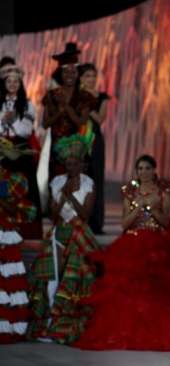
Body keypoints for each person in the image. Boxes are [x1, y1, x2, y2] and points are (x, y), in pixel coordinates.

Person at [74, 155, 170, 350]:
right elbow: (125, 224)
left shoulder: (163, 192)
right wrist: (137, 209)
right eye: (140, 168)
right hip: (132, 241)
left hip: (156, 242)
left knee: (159, 288)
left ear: (154, 170)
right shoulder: (130, 192)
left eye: (147, 168)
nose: (144, 172)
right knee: (127, 288)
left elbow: (166, 222)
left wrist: (150, 208)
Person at [27, 135, 98, 344]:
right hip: (59, 232)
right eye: (67, 163)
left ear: (82, 164)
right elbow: (53, 215)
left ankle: (68, 321)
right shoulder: (57, 182)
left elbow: (85, 215)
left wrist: (71, 196)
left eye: (74, 163)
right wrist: (61, 198)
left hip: (79, 235)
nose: (70, 166)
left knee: (74, 277)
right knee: (52, 276)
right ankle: (49, 321)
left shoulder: (88, 183)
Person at [0, 65, 42, 239]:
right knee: (2, 188)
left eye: (16, 81)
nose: (12, 84)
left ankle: (27, 231)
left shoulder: (28, 105)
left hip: (19, 152)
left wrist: (12, 122)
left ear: (20, 84)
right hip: (2, 150)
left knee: (24, 189)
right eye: (9, 81)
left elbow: (25, 130)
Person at [0, 138, 36, 343]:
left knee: (7, 276)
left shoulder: (15, 179)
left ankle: (9, 324)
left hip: (4, 231)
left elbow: (14, 208)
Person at [42, 43, 95, 179]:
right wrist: (59, 112)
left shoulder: (85, 96)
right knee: (56, 188)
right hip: (57, 151)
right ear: (61, 73)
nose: (69, 75)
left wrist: (66, 106)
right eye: (66, 72)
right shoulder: (51, 95)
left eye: (73, 72)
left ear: (78, 74)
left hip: (77, 150)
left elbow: (81, 122)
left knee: (76, 188)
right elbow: (45, 124)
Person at [78, 63, 109, 235]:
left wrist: (88, 107)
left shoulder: (102, 97)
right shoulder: (75, 96)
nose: (91, 79)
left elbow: (100, 119)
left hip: (95, 141)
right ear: (81, 78)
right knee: (79, 179)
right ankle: (79, 220)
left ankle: (96, 223)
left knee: (95, 179)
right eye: (87, 76)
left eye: (93, 76)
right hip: (78, 141)